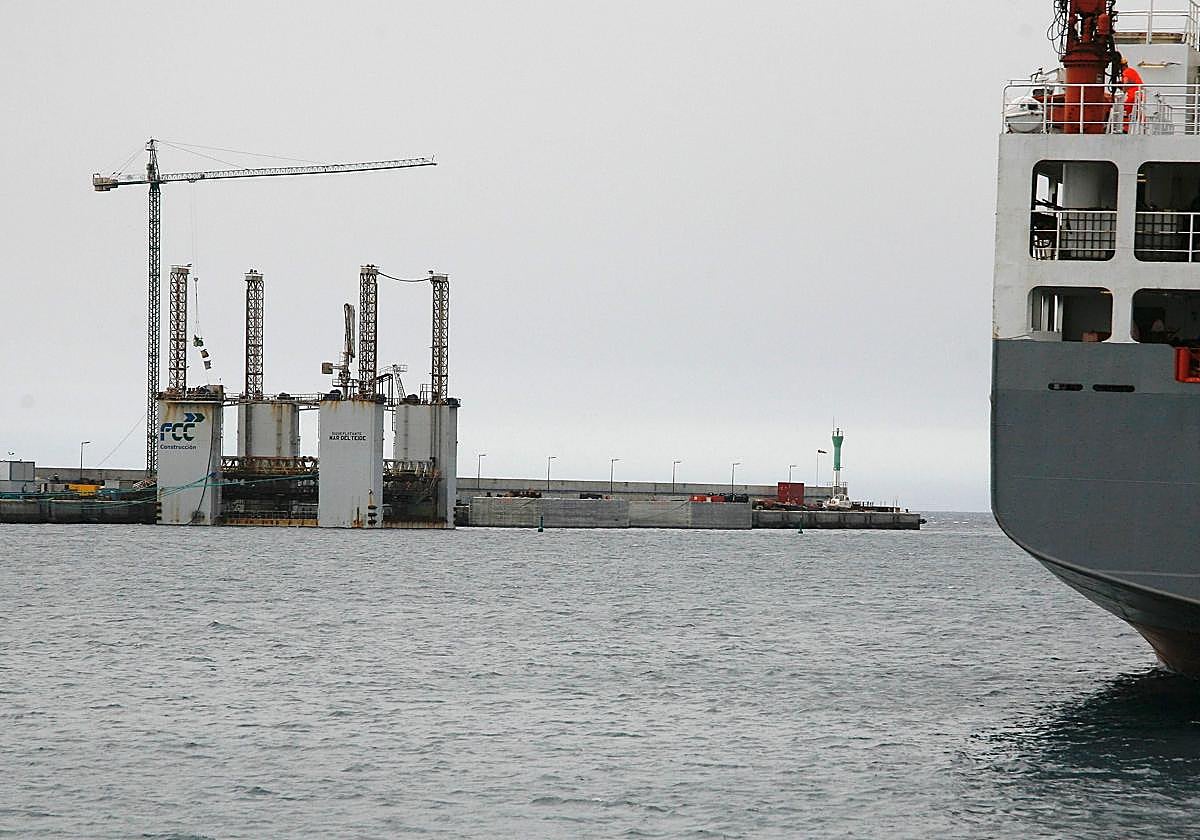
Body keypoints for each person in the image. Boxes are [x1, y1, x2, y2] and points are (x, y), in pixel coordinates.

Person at [1119, 55, 1144, 134]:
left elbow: (1126, 83)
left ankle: (1125, 129)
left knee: (1124, 109)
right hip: (1138, 94)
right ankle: (1143, 125)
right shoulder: (1131, 71)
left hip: (1133, 95)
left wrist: (1122, 90)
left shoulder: (1126, 72)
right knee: (1135, 111)